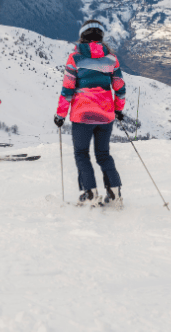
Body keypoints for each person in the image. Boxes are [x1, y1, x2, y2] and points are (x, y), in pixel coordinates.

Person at [54, 19, 126, 206]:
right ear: (101, 37)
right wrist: (118, 110)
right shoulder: (111, 59)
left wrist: (60, 115)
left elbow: (67, 89)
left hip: (82, 115)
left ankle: (90, 195)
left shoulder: (75, 58)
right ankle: (115, 194)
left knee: (82, 154)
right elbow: (120, 88)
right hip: (105, 115)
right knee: (103, 154)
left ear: (83, 37)